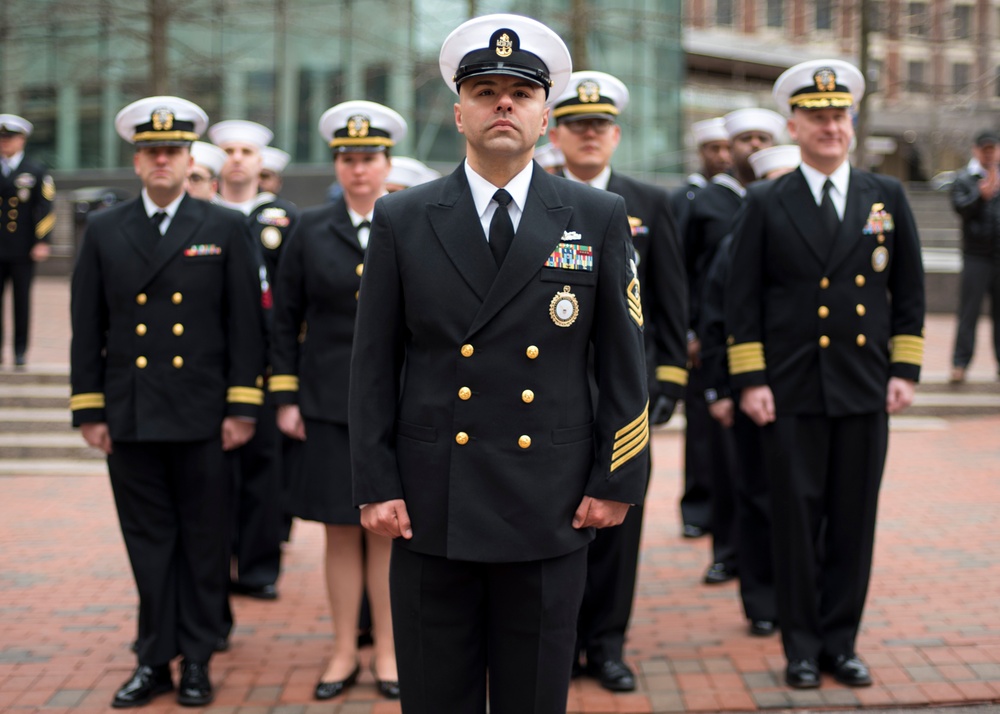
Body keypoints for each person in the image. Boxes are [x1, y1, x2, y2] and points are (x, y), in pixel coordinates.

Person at [348, 14, 650, 714]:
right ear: (459, 113)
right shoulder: (403, 218)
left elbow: (624, 361)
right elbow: (371, 365)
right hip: (430, 504)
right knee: (435, 698)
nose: (503, 103)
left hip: (550, 501)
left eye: (520, 91)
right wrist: (374, 482)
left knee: (534, 699)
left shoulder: (597, 215)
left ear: (546, 114)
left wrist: (617, 478)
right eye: (485, 91)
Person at [726, 59, 925, 689]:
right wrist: (751, 380)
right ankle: (802, 648)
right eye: (817, 116)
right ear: (795, 124)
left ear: (852, 124)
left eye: (839, 116)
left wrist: (905, 367)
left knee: (853, 522)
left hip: (864, 385)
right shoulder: (766, 199)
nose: (830, 126)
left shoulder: (884, 196)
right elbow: (742, 299)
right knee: (794, 523)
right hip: (790, 389)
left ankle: (842, 644)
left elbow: (909, 288)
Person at [70, 95, 265, 707]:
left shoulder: (226, 226)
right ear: (137, 161)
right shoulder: (104, 228)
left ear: (189, 160)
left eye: (173, 150)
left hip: (205, 414)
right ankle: (154, 657)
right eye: (151, 150)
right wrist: (89, 409)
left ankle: (199, 658)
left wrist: (241, 408)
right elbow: (88, 325)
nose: (162, 159)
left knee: (205, 542)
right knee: (147, 541)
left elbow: (245, 327)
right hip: (131, 412)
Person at [547, 69, 688, 692]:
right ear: (556, 133)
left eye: (599, 125)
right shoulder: (536, 197)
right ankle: (561, 641)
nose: (589, 135)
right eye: (577, 125)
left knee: (619, 522)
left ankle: (607, 645)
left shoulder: (651, 203)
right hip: (556, 391)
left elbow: (670, 298)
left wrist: (671, 378)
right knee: (557, 519)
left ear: (616, 133)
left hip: (629, 394)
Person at [270, 99, 405, 702]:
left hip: (396, 402)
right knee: (339, 530)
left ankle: (389, 651)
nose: (358, 170)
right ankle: (344, 648)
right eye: (348, 159)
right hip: (327, 401)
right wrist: (286, 394)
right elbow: (284, 318)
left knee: (386, 528)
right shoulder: (308, 228)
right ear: (337, 164)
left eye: (369, 158)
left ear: (387, 162)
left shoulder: (408, 220)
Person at [699, 144, 800, 640]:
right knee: (758, 497)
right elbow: (719, 318)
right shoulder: (736, 241)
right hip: (754, 391)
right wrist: (720, 387)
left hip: (808, 393)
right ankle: (762, 599)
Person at [686, 106, 785, 586]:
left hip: (778, 355)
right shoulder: (706, 202)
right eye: (744, 138)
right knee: (724, 462)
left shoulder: (784, 201)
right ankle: (727, 551)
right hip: (719, 344)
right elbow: (685, 273)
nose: (753, 146)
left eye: (763, 138)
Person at [207, 119, 299, 605]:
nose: (238, 158)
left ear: (261, 162)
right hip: (214, 362)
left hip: (266, 362)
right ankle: (216, 566)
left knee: (265, 471)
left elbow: (293, 297)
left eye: (247, 151)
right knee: (214, 476)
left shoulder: (283, 218)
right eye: (229, 150)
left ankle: (260, 567)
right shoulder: (203, 214)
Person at [670, 116, 731, 540]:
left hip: (733, 328)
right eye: (714, 149)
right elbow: (680, 271)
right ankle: (697, 507)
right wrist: (687, 330)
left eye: (727, 149)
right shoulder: (690, 198)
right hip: (700, 331)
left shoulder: (744, 198)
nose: (722, 156)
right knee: (700, 427)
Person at [0, 114, 55, 368]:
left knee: (21, 301)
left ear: (22, 140)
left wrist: (42, 240)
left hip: (23, 247)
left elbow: (45, 207)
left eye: (9, 138)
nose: (4, 143)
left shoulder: (35, 170)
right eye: (2, 138)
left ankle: (20, 351)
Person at [948, 129, 1000, 383]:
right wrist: (982, 196)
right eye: (985, 149)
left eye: (993, 149)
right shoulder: (964, 179)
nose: (989, 154)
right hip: (976, 256)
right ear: (976, 150)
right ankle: (960, 364)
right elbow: (960, 208)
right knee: (968, 313)